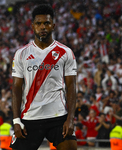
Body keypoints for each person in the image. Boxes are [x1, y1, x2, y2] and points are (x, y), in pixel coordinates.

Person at [10, 4, 77, 150]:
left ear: (53, 25)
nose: (43, 27)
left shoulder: (65, 52)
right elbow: (16, 88)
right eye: (39, 23)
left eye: (46, 23)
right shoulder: (21, 54)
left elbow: (71, 86)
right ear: (33, 26)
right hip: (30, 117)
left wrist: (70, 119)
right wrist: (16, 120)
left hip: (58, 116)